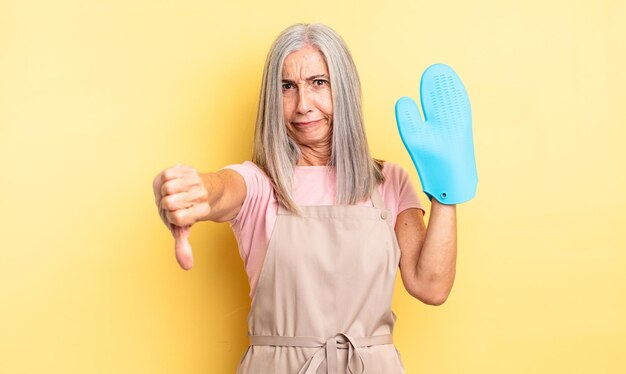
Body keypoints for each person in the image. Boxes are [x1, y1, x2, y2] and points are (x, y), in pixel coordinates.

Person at [152, 23, 458, 374]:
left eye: (318, 83)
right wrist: (193, 190)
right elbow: (223, 188)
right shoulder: (260, 184)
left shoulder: (388, 182)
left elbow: (431, 286)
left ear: (343, 88)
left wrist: (447, 189)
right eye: (287, 87)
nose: (302, 105)